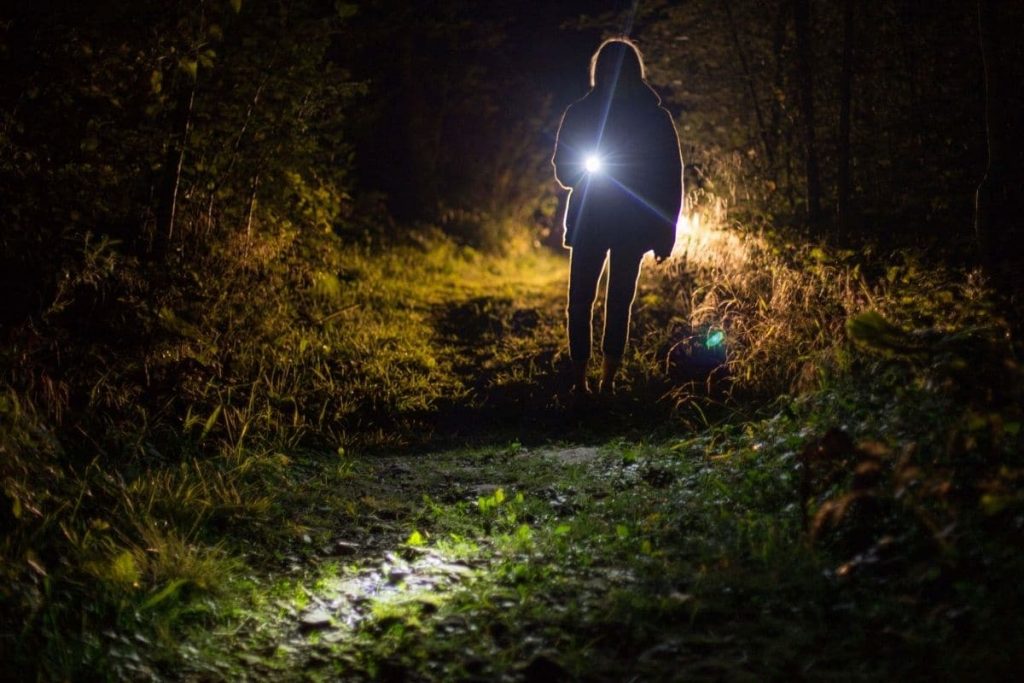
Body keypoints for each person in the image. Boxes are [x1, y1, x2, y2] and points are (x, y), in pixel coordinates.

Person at [552, 37, 683, 394]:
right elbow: (670, 180)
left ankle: (593, 383)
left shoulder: (583, 112)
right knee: (602, 301)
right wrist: (664, 232)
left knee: (589, 300)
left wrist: (666, 232)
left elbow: (670, 178)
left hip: (602, 221)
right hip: (620, 223)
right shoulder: (653, 117)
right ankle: (595, 383)